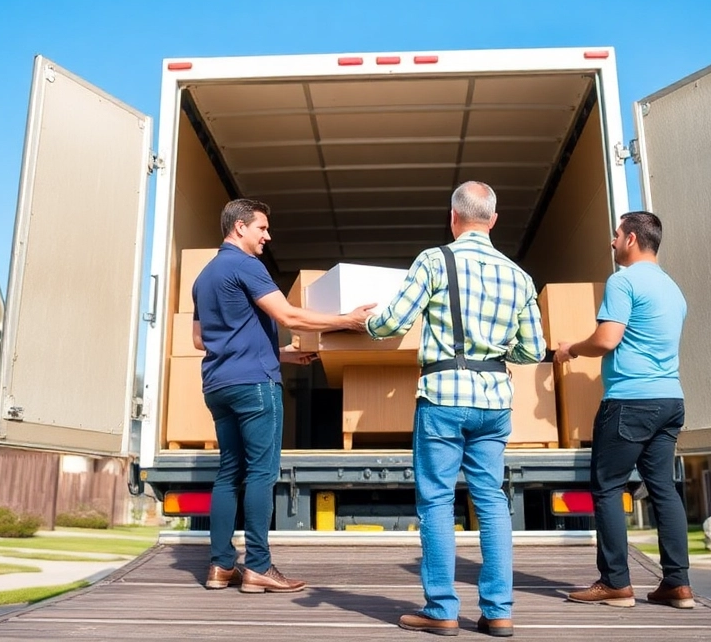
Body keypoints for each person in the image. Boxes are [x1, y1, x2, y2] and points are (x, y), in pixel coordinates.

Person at [366, 181, 545, 638]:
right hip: (494, 402)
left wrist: (362, 320)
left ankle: (442, 610)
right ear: (494, 220)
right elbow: (533, 351)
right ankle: (498, 611)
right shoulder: (519, 277)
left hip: (443, 397)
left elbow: (392, 322)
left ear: (453, 217)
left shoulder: (434, 260)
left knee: (437, 503)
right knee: (492, 503)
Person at [192, 198, 375, 594]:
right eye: (261, 228)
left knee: (228, 474)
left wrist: (281, 354)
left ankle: (221, 567)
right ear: (239, 227)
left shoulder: (204, 276)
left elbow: (200, 339)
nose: (267, 236)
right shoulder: (246, 265)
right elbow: (288, 316)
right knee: (261, 473)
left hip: (219, 385)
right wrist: (347, 320)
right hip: (255, 386)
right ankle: (257, 566)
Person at [555, 211, 693, 610]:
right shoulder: (673, 289)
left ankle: (616, 583)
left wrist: (571, 350)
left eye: (616, 235)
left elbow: (608, 338)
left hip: (631, 400)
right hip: (670, 400)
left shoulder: (623, 280)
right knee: (664, 488)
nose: (612, 242)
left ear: (631, 239)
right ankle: (677, 584)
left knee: (608, 487)